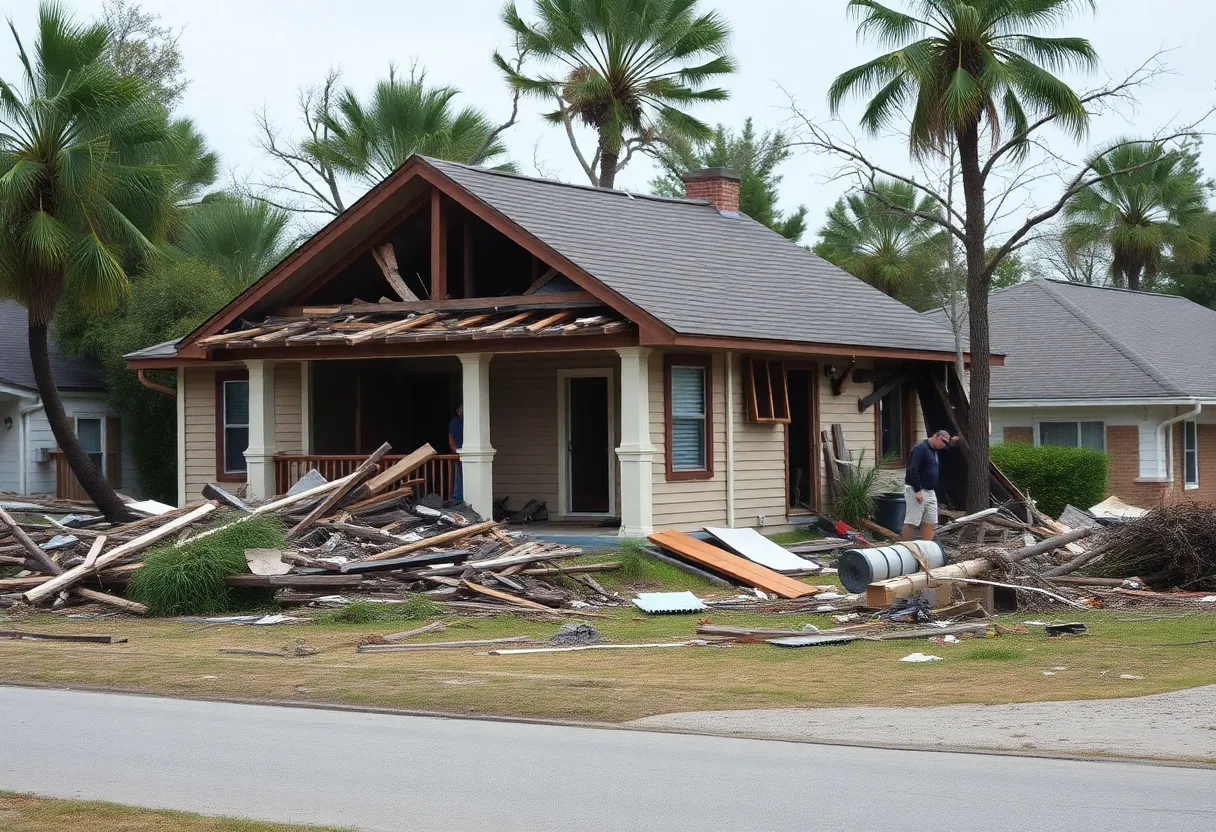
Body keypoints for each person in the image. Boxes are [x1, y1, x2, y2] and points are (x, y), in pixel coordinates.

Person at [902, 429, 959, 542]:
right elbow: (912, 469)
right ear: (936, 436)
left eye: (946, 443)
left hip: (930, 490)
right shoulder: (920, 448)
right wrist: (917, 489)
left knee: (930, 521)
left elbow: (948, 449)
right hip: (916, 489)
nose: (944, 445)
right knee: (912, 521)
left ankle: (928, 546)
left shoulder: (935, 450)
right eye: (943, 442)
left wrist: (953, 442)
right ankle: (905, 544)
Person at [448, 404, 464, 502]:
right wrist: (455, 450)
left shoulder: (470, 421)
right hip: (458, 454)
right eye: (461, 409)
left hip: (468, 454)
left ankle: (460, 498)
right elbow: (451, 437)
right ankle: (457, 498)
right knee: (458, 477)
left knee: (463, 477)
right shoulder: (455, 422)